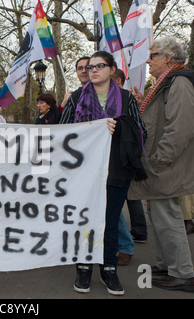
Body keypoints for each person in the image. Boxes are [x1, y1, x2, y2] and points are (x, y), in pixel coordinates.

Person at [60, 51, 147, 296]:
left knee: (109, 222)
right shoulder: (77, 97)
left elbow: (142, 132)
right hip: (83, 173)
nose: (93, 70)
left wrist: (118, 127)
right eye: (90, 67)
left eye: (100, 66)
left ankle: (109, 269)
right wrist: (91, 128)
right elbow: (64, 133)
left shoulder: (126, 98)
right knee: (84, 221)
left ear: (111, 70)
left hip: (116, 171)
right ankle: (84, 268)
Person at [128, 37, 194, 292]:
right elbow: (162, 119)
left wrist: (158, 161)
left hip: (167, 166)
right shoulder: (168, 83)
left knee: (168, 217)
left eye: (153, 55)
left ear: (168, 58)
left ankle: (183, 273)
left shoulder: (180, 82)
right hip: (164, 166)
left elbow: (181, 128)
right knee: (159, 216)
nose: (148, 61)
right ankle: (167, 265)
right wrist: (143, 104)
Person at [111, 69, 148, 266]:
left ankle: (126, 245)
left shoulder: (127, 98)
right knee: (111, 207)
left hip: (121, 163)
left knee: (116, 207)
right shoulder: (85, 98)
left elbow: (141, 131)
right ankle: (123, 243)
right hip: (103, 164)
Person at [52, 56, 91, 124]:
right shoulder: (74, 97)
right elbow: (61, 126)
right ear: (77, 72)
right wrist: (64, 104)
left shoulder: (105, 92)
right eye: (80, 68)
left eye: (87, 68)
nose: (84, 71)